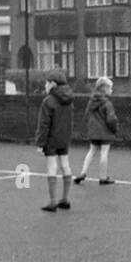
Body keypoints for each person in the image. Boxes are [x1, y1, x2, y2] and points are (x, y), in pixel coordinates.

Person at [34, 70, 75, 212]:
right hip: (64, 137)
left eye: (46, 83)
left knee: (52, 167)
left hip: (51, 139)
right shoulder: (69, 99)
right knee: (65, 165)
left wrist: (40, 143)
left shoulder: (48, 101)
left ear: (52, 84)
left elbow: (44, 124)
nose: (45, 85)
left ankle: (52, 202)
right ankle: (65, 199)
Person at [74, 77, 117, 185]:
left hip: (94, 132)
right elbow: (111, 119)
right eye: (110, 88)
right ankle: (103, 178)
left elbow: (87, 114)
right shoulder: (107, 103)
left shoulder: (91, 101)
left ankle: (83, 172)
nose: (112, 90)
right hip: (105, 132)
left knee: (91, 151)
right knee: (104, 153)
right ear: (104, 89)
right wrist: (114, 129)